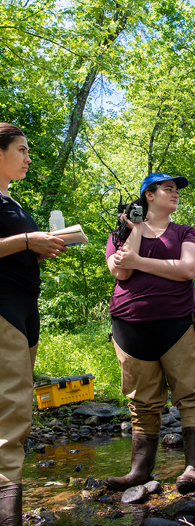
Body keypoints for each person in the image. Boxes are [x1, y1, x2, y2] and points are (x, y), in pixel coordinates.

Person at [102, 172, 195, 496]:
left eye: (176, 189)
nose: (174, 193)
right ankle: (139, 471)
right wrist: (134, 230)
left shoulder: (185, 232)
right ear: (148, 195)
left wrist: (139, 260)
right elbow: (121, 270)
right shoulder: (121, 232)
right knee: (142, 402)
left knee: (192, 395)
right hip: (129, 326)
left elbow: (188, 269)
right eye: (167, 188)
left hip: (178, 325)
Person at [0, 123, 69, 522]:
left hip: (25, 309)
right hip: (3, 308)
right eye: (22, 150)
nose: (28, 157)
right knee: (11, 411)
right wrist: (28, 241)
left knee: (17, 406)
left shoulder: (11, 201)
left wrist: (39, 250)